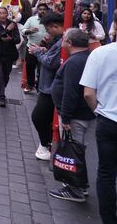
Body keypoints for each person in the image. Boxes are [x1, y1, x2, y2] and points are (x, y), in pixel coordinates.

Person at [48, 28, 96, 203]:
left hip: (75, 116)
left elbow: (71, 92)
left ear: (69, 43)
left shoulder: (75, 62)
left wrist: (66, 117)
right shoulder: (86, 58)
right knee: (77, 148)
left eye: (64, 39)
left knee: (74, 150)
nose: (62, 42)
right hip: (80, 114)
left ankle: (75, 188)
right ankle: (79, 185)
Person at [80, 40, 117, 224]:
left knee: (106, 172)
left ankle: (109, 219)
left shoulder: (100, 53)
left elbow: (88, 93)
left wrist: (98, 112)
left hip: (108, 120)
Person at [30, 12, 65, 161]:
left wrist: (38, 52)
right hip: (48, 85)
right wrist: (45, 50)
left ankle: (46, 144)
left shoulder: (63, 41)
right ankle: (47, 144)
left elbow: (52, 63)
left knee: (38, 117)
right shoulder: (58, 40)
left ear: (54, 26)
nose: (47, 32)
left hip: (51, 87)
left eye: (48, 28)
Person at [0, 7, 21, 107]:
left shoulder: (12, 24)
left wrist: (10, 39)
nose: (2, 15)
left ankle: (1, 89)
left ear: (7, 14)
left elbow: (18, 39)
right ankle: (1, 96)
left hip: (9, 54)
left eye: (4, 13)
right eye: (0, 13)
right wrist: (7, 30)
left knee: (6, 75)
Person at [21, 3, 50, 94]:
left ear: (47, 11)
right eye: (40, 9)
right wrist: (30, 31)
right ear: (37, 10)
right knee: (30, 66)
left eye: (44, 9)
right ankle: (30, 85)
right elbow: (23, 30)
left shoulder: (50, 20)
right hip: (31, 47)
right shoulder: (31, 19)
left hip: (45, 48)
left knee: (42, 68)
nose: (42, 11)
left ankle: (40, 86)